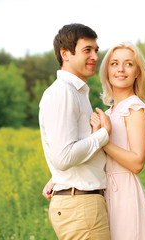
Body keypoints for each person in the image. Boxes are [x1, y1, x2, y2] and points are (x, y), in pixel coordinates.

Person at [39, 23, 111, 240]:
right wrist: (102, 134)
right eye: (87, 50)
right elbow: (64, 157)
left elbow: (65, 154)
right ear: (65, 54)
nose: (95, 57)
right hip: (81, 206)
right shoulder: (63, 93)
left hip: (83, 203)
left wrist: (60, 177)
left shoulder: (76, 93)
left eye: (96, 50)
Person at [91, 42, 145, 240]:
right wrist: (58, 180)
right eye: (114, 64)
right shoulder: (108, 112)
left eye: (128, 64)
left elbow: (137, 163)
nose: (120, 69)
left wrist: (102, 140)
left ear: (137, 72)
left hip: (125, 194)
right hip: (102, 193)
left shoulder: (135, 108)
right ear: (106, 71)